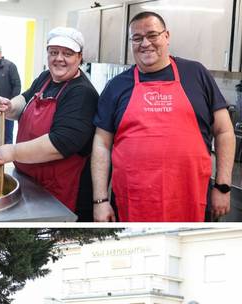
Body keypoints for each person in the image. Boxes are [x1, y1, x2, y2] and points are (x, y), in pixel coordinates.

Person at [92, 11, 234, 222]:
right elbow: (101, 144)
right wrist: (100, 201)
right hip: (133, 199)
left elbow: (224, 131)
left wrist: (223, 186)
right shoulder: (116, 86)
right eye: (137, 38)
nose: (145, 43)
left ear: (166, 36)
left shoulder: (196, 74)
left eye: (152, 35)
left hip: (191, 195)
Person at [0, 27, 98, 222]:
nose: (59, 58)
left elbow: (59, 144)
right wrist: (9, 105)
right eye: (54, 52)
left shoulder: (82, 93)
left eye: (67, 53)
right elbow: (24, 99)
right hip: (31, 182)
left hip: (59, 194)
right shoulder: (46, 78)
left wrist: (13, 152)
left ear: (80, 57)